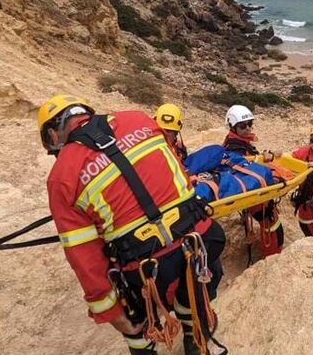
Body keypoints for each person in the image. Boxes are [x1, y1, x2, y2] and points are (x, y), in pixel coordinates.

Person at [39, 94, 226, 355]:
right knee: (191, 279)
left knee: (135, 318)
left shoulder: (61, 179)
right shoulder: (139, 119)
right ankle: (196, 338)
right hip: (202, 240)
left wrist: (112, 313)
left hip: (144, 273)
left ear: (52, 134)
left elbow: (84, 258)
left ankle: (144, 344)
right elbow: (175, 173)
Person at [222, 104, 284, 258]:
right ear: (232, 126)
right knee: (270, 223)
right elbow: (244, 165)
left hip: (251, 188)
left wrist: (264, 156)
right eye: (243, 126)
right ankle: (272, 257)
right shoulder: (234, 146)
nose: (248, 129)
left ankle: (271, 254)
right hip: (252, 191)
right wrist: (263, 160)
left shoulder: (239, 141)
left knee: (271, 222)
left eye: (250, 124)